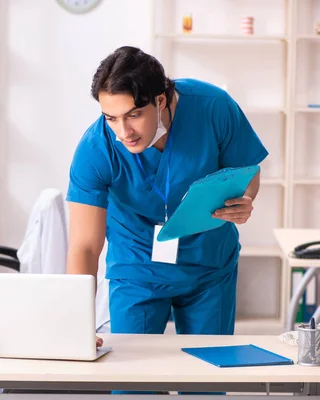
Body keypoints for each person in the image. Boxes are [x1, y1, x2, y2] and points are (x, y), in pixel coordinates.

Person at [66, 46, 268, 341]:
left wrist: (245, 199)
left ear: (160, 100)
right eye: (110, 118)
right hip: (137, 267)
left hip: (209, 265)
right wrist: (77, 321)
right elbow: (85, 246)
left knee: (207, 379)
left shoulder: (213, 108)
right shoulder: (96, 148)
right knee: (132, 381)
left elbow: (248, 172)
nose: (123, 132)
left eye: (133, 115)